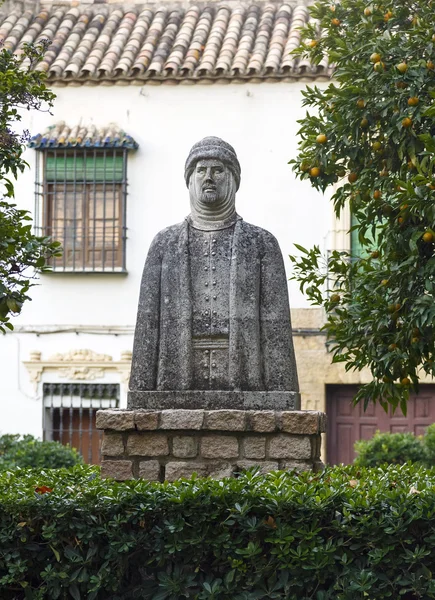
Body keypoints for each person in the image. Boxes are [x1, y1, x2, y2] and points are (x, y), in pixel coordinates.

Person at [129, 136, 299, 393]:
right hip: (175, 379)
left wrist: (282, 394)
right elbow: (147, 325)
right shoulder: (164, 243)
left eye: (217, 170)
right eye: (201, 170)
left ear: (233, 179)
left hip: (244, 376)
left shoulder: (262, 243)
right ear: (190, 179)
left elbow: (276, 330)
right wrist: (140, 391)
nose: (208, 177)